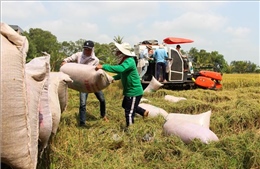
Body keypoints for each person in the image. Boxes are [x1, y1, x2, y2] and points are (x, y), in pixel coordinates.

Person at [95, 42, 149, 129]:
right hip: (129, 91)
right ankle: (143, 112)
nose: (116, 53)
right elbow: (121, 74)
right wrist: (113, 78)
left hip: (134, 91)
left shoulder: (129, 61)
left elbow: (120, 69)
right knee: (125, 105)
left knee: (129, 112)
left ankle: (131, 130)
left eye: (118, 51)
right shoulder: (125, 61)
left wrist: (104, 66)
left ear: (123, 52)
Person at [61, 40, 108, 127]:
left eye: (88, 49)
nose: (86, 51)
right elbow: (69, 59)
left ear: (92, 50)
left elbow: (95, 72)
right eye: (85, 49)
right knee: (82, 103)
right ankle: (82, 123)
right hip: (83, 83)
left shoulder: (95, 60)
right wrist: (65, 62)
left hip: (93, 83)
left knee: (102, 99)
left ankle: (103, 115)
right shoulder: (79, 55)